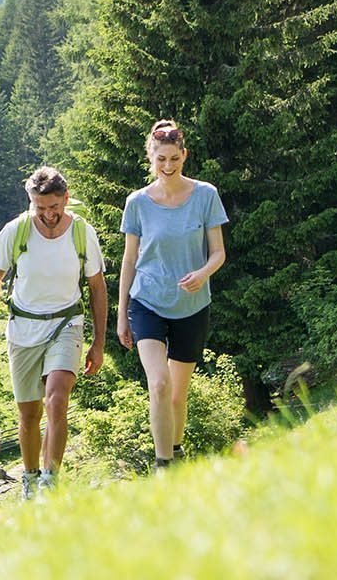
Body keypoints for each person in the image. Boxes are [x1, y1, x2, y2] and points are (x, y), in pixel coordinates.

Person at [0, 166, 107, 498]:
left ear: (66, 199)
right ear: (31, 203)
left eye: (54, 207)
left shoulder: (82, 233)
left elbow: (97, 287)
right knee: (29, 413)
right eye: (41, 208)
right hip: (24, 328)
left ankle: (51, 480)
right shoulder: (16, 232)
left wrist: (98, 343)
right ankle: (30, 480)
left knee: (57, 400)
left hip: (67, 323)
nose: (49, 215)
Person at [117, 120, 227, 470]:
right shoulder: (137, 203)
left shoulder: (205, 195)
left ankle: (176, 452)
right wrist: (122, 314)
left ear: (184, 155)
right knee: (160, 384)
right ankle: (162, 465)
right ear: (150, 157)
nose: (167, 167)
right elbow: (129, 259)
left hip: (193, 305)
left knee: (179, 395)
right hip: (147, 301)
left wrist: (203, 273)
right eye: (160, 159)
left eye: (174, 159)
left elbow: (218, 253)